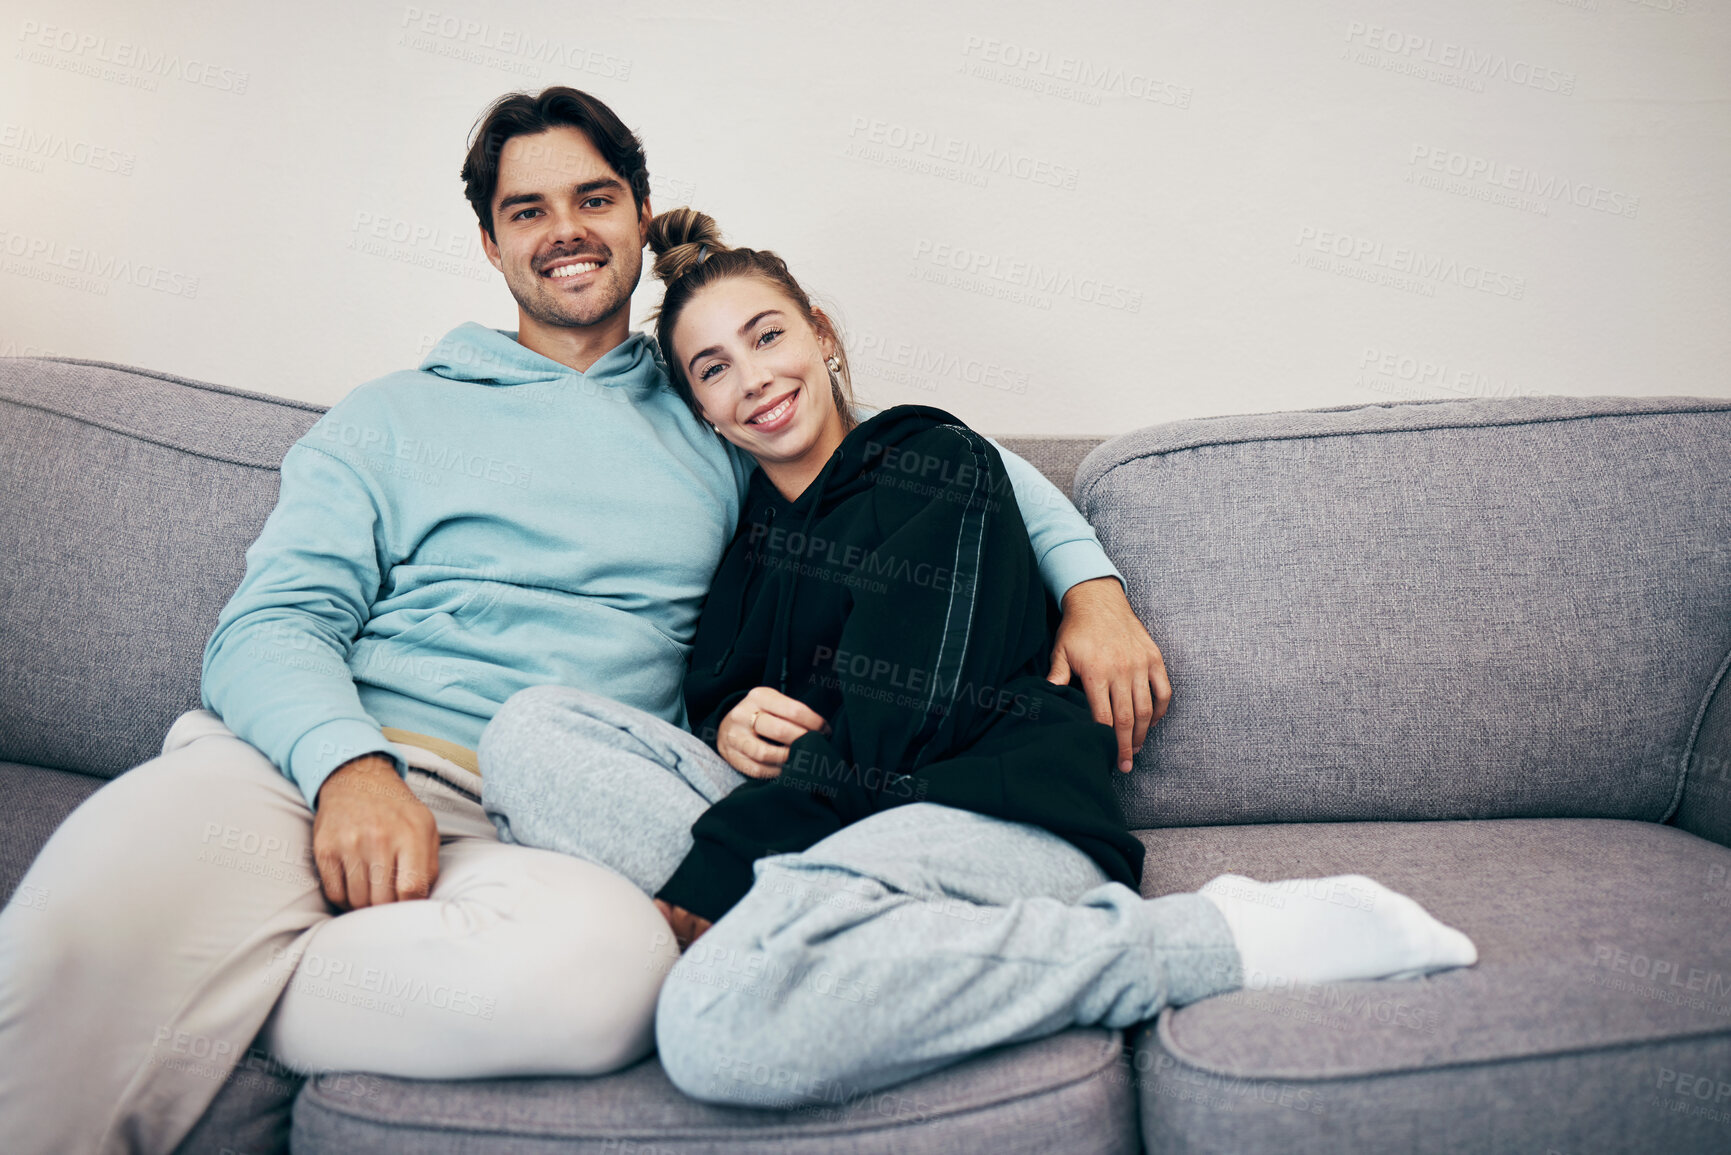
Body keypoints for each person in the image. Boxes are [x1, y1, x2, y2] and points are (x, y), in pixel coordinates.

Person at [0, 87, 1170, 1155]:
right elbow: (265, 628)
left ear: (638, 214)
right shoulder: (390, 417)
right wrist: (349, 766)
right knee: (64, 955)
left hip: (539, 822)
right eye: (529, 208)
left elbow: (924, 459)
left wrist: (1092, 585)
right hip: (305, 767)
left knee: (607, 992)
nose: (565, 227)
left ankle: (228, 977)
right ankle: (210, 958)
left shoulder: (709, 407)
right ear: (490, 241)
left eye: (594, 197)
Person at [477, 209, 1480, 1110]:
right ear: (701, 407)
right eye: (713, 369)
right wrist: (725, 719)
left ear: (821, 334)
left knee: (718, 1023)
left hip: (978, 805)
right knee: (530, 734)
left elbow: (902, 710)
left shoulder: (929, 458)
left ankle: (1207, 942)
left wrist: (724, 861)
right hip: (819, 829)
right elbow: (710, 699)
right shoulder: (739, 543)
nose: (754, 381)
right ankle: (801, 934)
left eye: (768, 336)